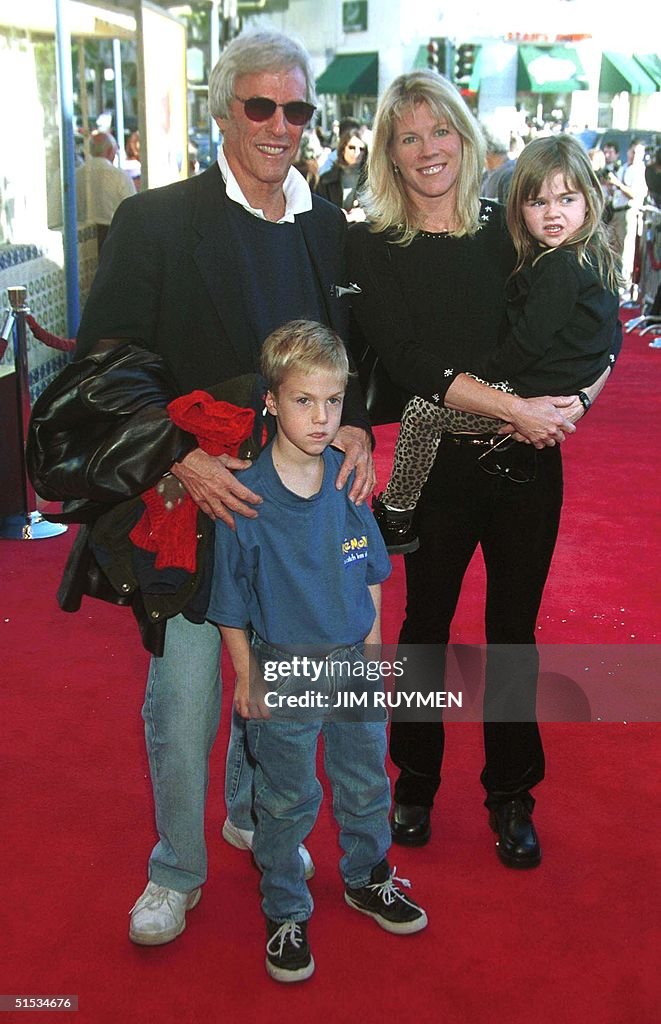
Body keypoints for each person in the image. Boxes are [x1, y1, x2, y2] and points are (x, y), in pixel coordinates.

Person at [68, 29, 374, 946]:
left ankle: (249, 815)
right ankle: (175, 869)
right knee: (187, 696)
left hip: (297, 514)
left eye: (297, 110)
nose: (280, 127)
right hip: (194, 509)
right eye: (260, 107)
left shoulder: (326, 227)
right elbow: (105, 368)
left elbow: (345, 364)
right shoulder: (156, 221)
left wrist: (352, 419)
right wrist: (178, 456)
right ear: (221, 112)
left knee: (274, 683)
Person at [347, 71, 613, 866]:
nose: (429, 149)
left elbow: (591, 320)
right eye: (409, 136)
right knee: (423, 629)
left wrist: (576, 406)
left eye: (441, 131)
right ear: (389, 156)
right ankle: (414, 783)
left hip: (528, 463)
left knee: (512, 636)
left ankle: (510, 793)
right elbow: (408, 359)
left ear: (464, 137)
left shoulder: (515, 227)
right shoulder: (371, 244)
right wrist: (515, 407)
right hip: (440, 468)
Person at [207, 319, 427, 982]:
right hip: (283, 667)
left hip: (352, 663)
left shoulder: (348, 481)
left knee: (365, 781)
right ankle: (284, 909)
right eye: (304, 400)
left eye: (333, 401)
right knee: (287, 796)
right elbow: (230, 601)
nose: (322, 416)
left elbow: (370, 575)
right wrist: (247, 677)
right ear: (270, 401)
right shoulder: (247, 497)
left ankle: (367, 875)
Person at [373, 134, 621, 554]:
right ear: (518, 208)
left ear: (589, 200)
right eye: (538, 202)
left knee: (421, 411)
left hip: (531, 390)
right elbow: (610, 330)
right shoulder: (590, 254)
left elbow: (527, 343)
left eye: (566, 199)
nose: (553, 213)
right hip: (551, 392)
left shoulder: (559, 266)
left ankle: (396, 510)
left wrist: (482, 373)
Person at [76, 130, 135, 252]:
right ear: (109, 151)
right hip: (111, 238)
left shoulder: (76, 175)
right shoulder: (120, 176)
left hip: (81, 239)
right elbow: (133, 211)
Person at [605, 138, 647, 290]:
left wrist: (617, 184)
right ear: (628, 151)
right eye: (633, 152)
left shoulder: (640, 171)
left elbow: (634, 194)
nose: (634, 155)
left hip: (628, 213)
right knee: (612, 248)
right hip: (615, 212)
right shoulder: (623, 168)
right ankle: (612, 282)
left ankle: (623, 287)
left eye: (638, 153)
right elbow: (616, 192)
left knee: (625, 252)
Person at [315, 128, 368, 222]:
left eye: (361, 149)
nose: (357, 152)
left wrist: (364, 214)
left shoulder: (372, 180)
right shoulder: (327, 179)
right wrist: (336, 214)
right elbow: (317, 211)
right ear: (343, 149)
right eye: (352, 148)